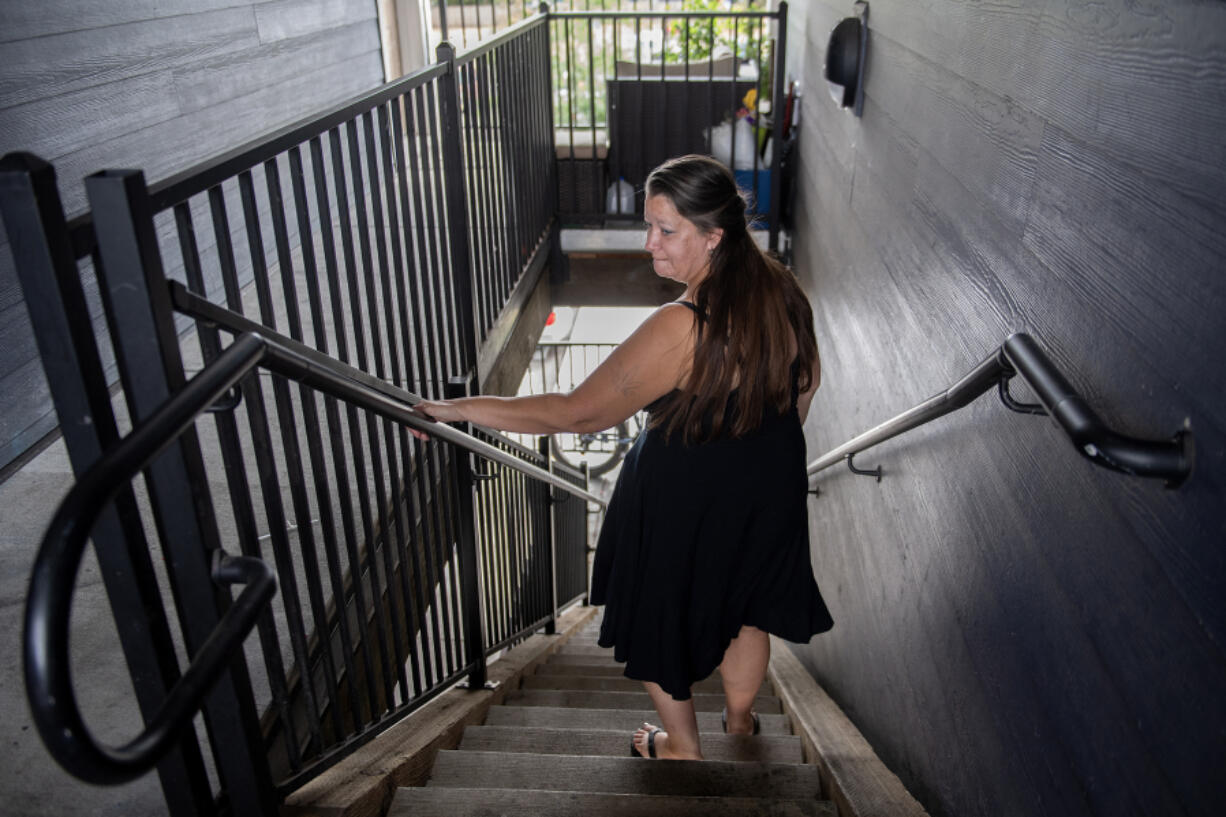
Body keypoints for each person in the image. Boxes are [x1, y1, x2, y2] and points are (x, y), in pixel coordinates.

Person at [413, 154, 833, 760]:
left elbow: (579, 413)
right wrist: (761, 454)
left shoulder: (684, 325)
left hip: (685, 498)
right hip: (768, 490)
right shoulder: (781, 289)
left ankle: (681, 745)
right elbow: (807, 383)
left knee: (658, 612)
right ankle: (739, 724)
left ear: (714, 237)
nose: (649, 245)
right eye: (649, 226)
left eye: (667, 231)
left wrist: (460, 409)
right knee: (746, 609)